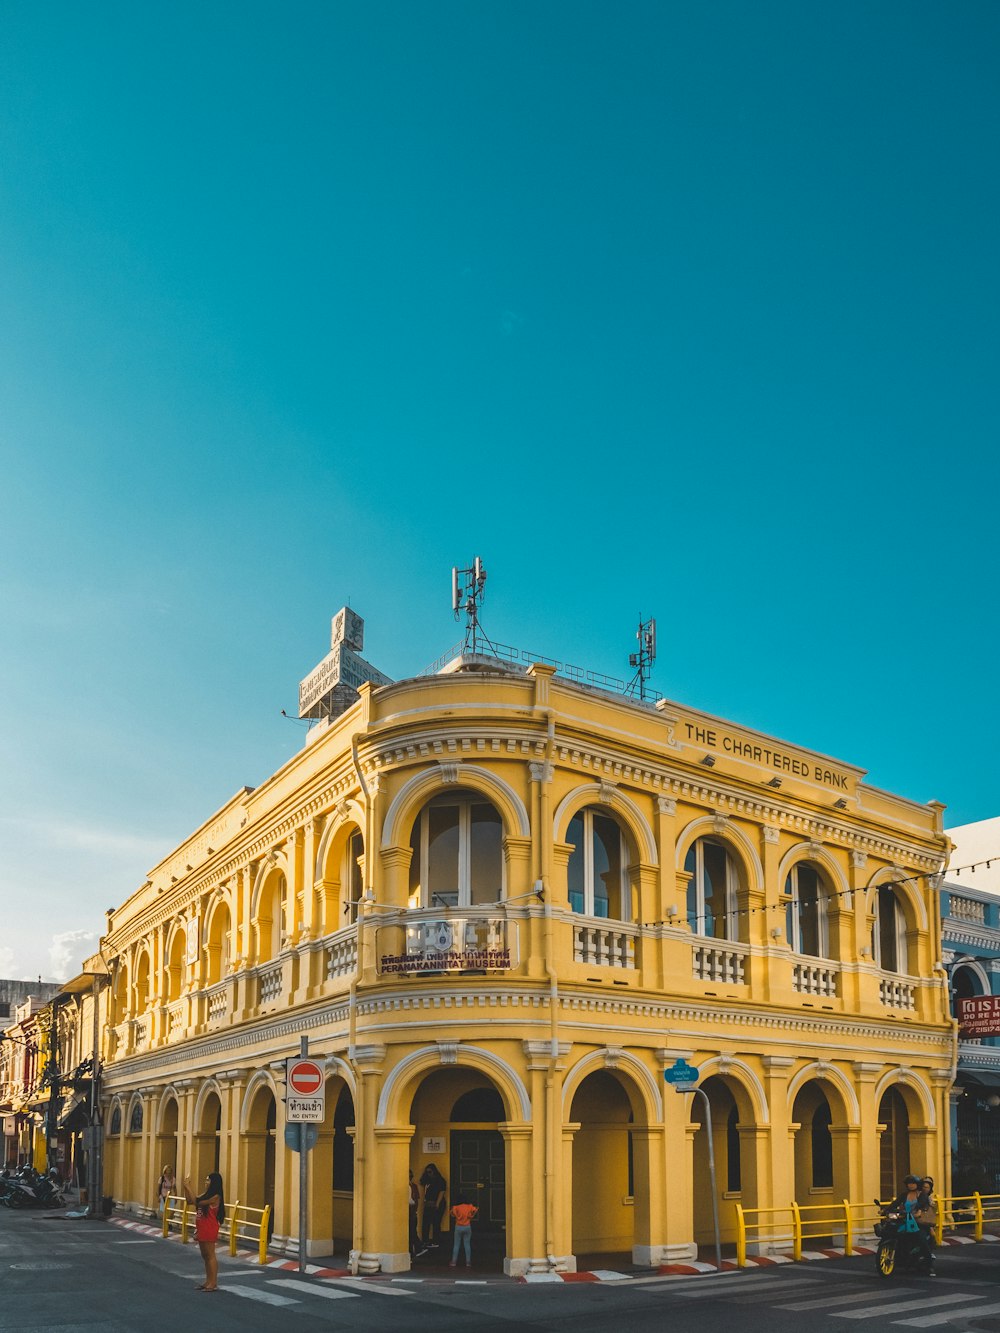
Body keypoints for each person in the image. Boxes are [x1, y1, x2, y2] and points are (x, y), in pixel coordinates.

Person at [183, 1171, 225, 1291]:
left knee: (210, 1255)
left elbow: (197, 1202)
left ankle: (213, 1283)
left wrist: (188, 1186)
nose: (206, 1182)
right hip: (202, 1226)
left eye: (208, 1180)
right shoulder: (206, 1194)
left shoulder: (216, 1196)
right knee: (205, 1255)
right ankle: (208, 1281)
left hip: (209, 1227)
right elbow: (190, 1201)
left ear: (214, 1182)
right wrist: (186, 1189)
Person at [888, 1174, 933, 1276]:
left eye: (913, 1183)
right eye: (909, 1183)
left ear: (917, 1184)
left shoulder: (922, 1195)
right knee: (893, 1231)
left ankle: (930, 1266)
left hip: (917, 1221)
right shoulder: (904, 1195)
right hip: (905, 1219)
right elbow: (895, 1203)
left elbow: (923, 1205)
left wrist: (919, 1211)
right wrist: (885, 1210)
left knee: (921, 1239)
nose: (911, 1185)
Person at [419, 1163, 447, 1247]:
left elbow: (442, 1192)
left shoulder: (440, 1180)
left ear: (434, 1171)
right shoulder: (427, 1181)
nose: (428, 1174)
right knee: (426, 1223)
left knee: (436, 1223)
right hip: (428, 1203)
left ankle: (436, 1241)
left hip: (437, 1203)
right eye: (427, 1172)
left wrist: (437, 1203)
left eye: (430, 1172)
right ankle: (425, 1241)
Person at [448, 1195, 478, 1268]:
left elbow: (452, 1214)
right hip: (467, 1226)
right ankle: (468, 1262)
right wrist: (471, 1215)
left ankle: (454, 1262)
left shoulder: (456, 1207)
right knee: (467, 1244)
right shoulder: (469, 1206)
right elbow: (475, 1210)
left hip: (458, 1227)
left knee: (456, 1245)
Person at [407, 1169, 420, 1257]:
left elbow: (416, 1200)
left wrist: (416, 1210)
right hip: (407, 1212)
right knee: (411, 1232)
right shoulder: (407, 1186)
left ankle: (415, 1250)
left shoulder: (414, 1186)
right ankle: (416, 1249)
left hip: (412, 1212)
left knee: (412, 1231)